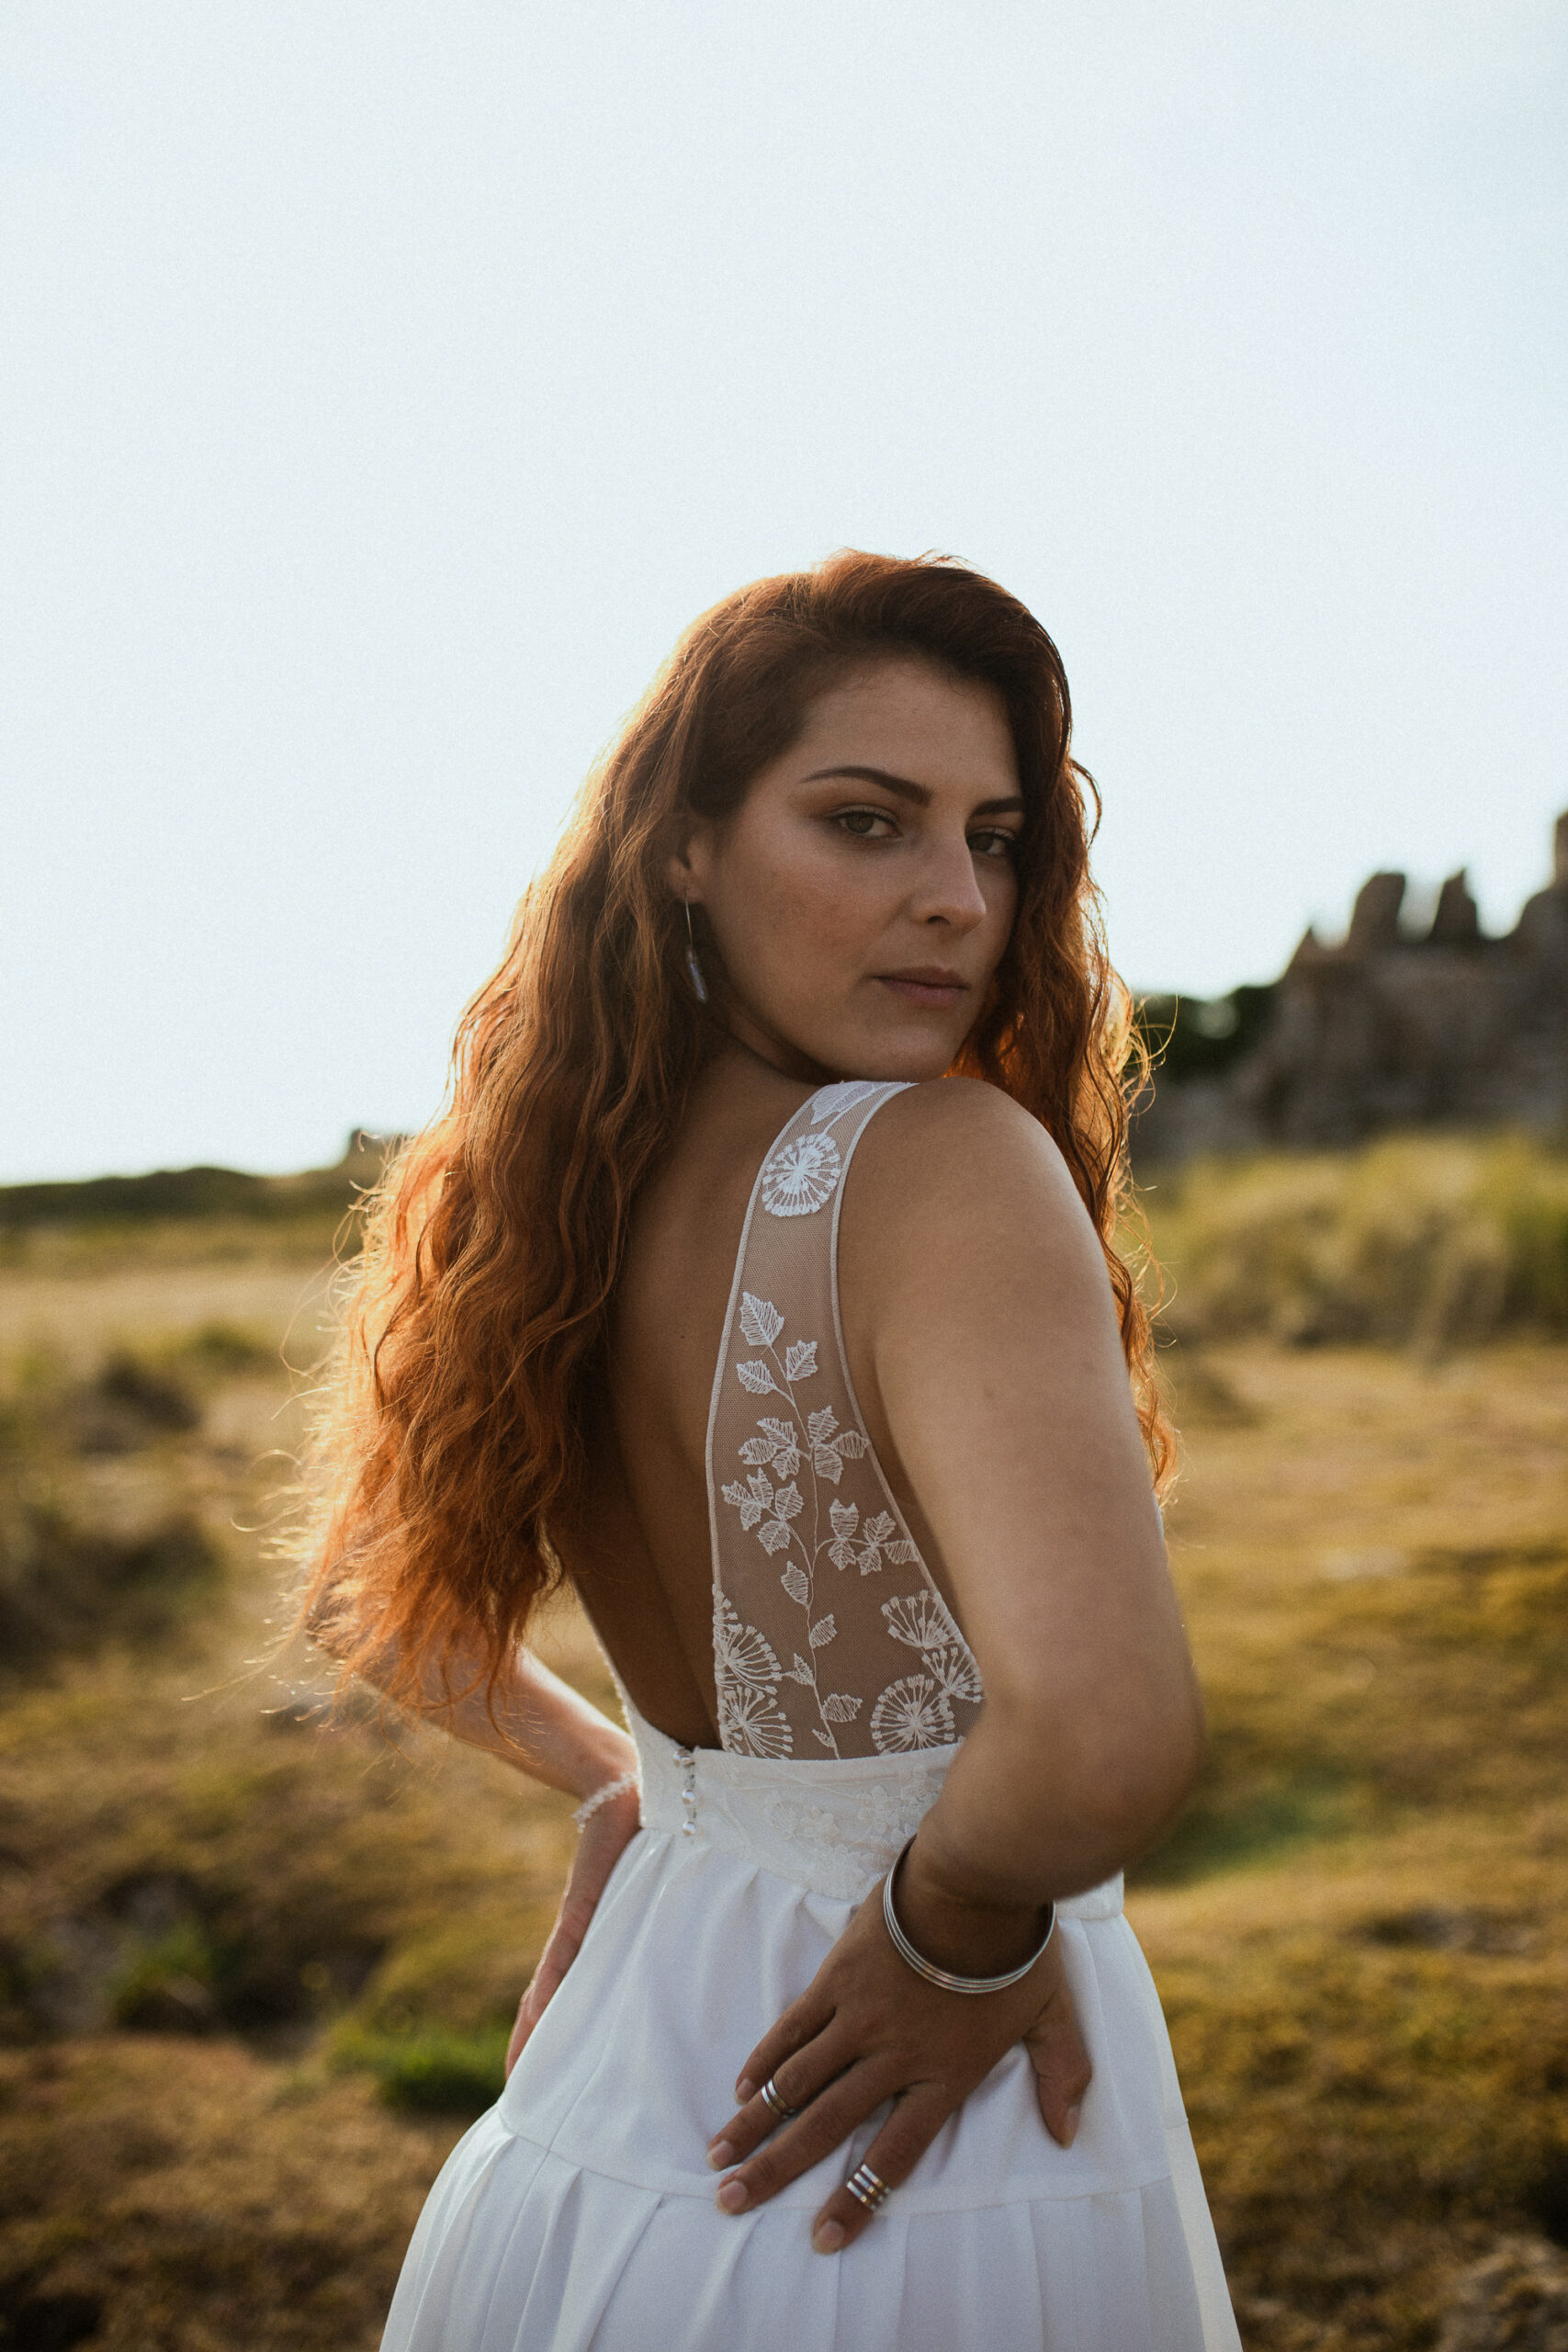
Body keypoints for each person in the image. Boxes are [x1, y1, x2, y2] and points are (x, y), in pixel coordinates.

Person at [298, 550, 1242, 2350]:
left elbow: (369, 1592)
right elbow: (1104, 1729)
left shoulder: (544, 1206)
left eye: (991, 836)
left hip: (611, 2097)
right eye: (865, 821)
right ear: (683, 842)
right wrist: (958, 1919)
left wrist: (618, 1779)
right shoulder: (940, 1162)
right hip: (905, 2115)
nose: (953, 898)